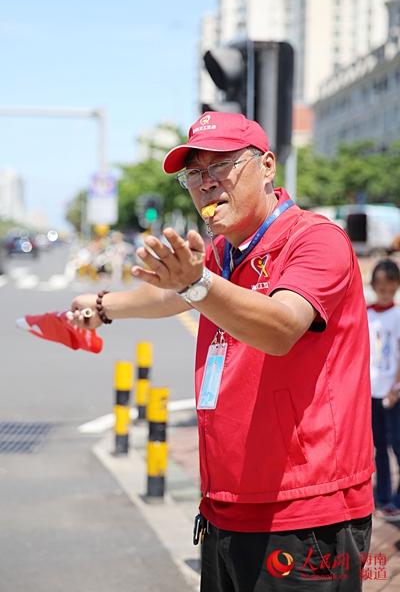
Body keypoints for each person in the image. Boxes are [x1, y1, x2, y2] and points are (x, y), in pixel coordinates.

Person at [69, 111, 374, 591]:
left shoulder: (315, 240)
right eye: (194, 174)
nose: (206, 185)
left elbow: (281, 327)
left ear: (267, 165)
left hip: (304, 514)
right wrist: (105, 305)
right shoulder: (222, 252)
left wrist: (197, 284)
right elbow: (171, 294)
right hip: (225, 507)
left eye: (221, 166)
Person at [367, 259, 400, 522]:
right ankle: (384, 498)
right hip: (371, 391)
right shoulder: (367, 313)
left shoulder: (397, 315)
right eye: (381, 289)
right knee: (378, 447)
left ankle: (396, 497)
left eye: (390, 290)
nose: (385, 294)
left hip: (392, 392)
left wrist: (395, 388)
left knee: (397, 446)